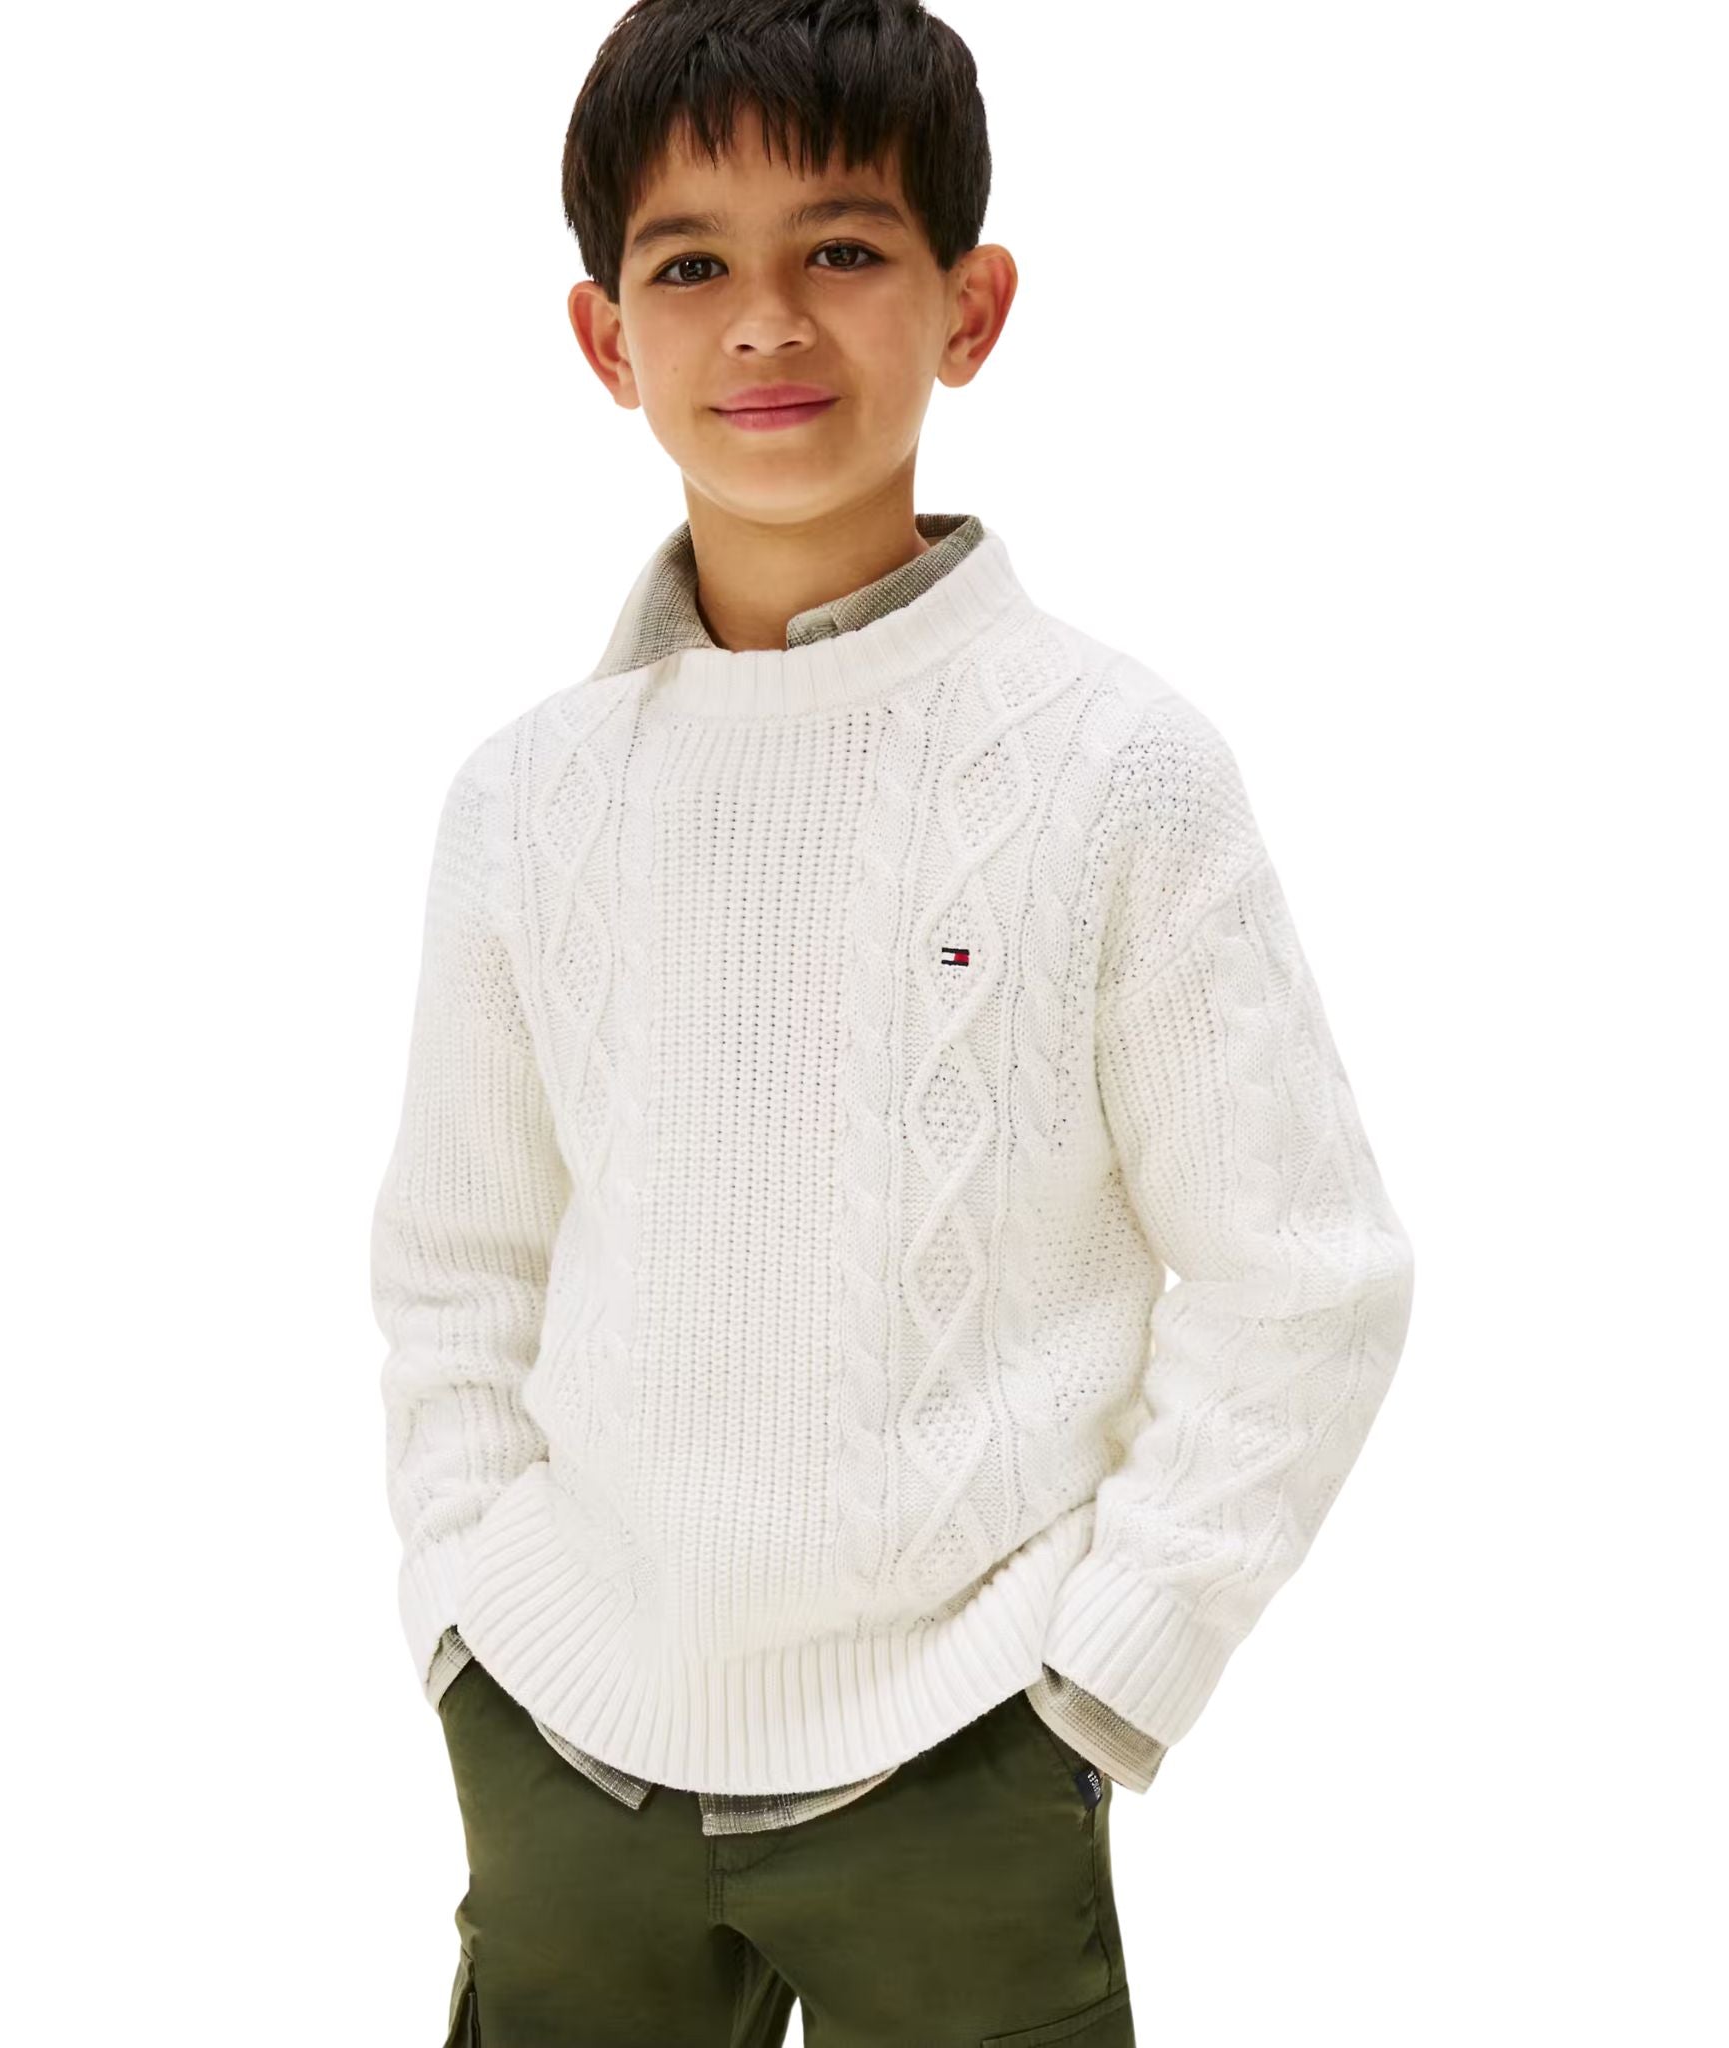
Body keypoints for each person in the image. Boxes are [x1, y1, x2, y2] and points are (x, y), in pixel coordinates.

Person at [369, 4, 1415, 2042]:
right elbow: (457, 1261)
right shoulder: (524, 801)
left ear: (971, 305)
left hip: (962, 1752)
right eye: (692, 263)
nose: (767, 319)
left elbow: (1305, 1273)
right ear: (606, 340)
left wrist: (1104, 1672)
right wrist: (463, 1617)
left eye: (842, 248)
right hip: (564, 1739)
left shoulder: (1114, 767)